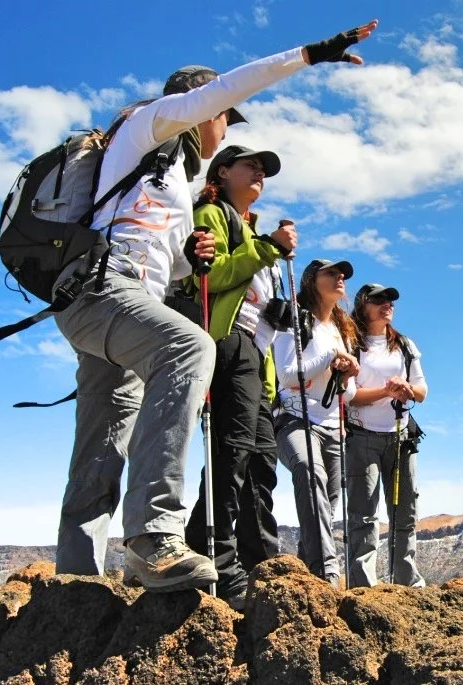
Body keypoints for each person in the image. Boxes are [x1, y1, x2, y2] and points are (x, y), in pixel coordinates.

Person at [52, 19, 379, 592]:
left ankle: (73, 580)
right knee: (188, 345)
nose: (224, 124)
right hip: (103, 293)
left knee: (105, 436)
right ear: (200, 109)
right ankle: (154, 537)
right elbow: (225, 88)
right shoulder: (146, 128)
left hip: (127, 304)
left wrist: (189, 257)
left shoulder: (170, 180)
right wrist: (310, 54)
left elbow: (162, 259)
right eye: (223, 115)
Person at [181, 145, 294, 608]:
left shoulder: (246, 228)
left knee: (259, 460)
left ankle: (258, 558)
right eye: (252, 166)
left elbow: (251, 297)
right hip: (227, 345)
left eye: (265, 171)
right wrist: (268, 249)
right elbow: (209, 276)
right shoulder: (212, 213)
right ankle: (215, 556)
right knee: (232, 453)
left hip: (255, 355)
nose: (260, 175)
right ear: (223, 171)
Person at [274, 259, 359, 585]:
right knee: (310, 475)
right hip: (296, 419)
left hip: (332, 426)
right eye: (332, 273)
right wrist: (329, 358)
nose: (340, 278)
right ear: (311, 280)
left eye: (343, 275)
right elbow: (286, 374)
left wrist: (347, 375)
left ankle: (305, 578)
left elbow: (348, 394)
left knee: (326, 504)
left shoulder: (341, 330)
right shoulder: (293, 320)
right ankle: (328, 577)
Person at [345, 284, 428, 588]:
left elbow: (422, 390)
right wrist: (387, 391)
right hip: (361, 436)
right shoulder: (352, 343)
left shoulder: (404, 345)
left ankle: (407, 582)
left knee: (404, 511)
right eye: (379, 299)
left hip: (400, 436)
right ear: (363, 305)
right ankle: (363, 586)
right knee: (364, 514)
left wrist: (407, 391)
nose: (387, 304)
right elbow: (350, 396)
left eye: (390, 299)